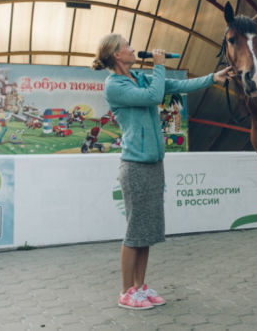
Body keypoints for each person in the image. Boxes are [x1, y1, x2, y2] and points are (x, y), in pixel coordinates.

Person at [92, 34, 232, 310]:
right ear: (117, 55)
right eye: (127, 46)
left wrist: (212, 78)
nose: (133, 48)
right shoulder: (114, 85)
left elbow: (179, 85)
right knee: (135, 231)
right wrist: (158, 65)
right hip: (135, 166)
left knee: (148, 231)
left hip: (154, 164)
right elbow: (154, 97)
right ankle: (125, 292)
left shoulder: (140, 78)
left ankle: (139, 287)